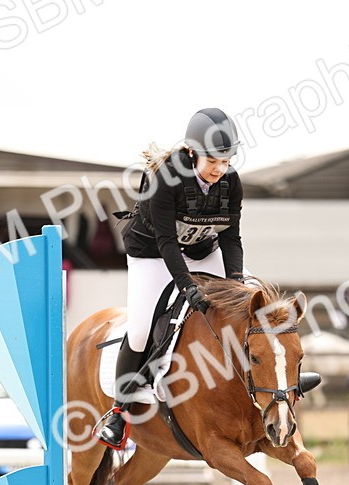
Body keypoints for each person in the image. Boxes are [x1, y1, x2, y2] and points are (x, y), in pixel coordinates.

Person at [95, 107, 246, 448]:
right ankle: (119, 411)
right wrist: (188, 286)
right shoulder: (166, 179)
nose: (219, 170)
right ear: (192, 152)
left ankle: (275, 386)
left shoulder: (231, 183)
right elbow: (166, 242)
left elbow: (231, 239)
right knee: (140, 331)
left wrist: (236, 284)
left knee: (252, 304)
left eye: (225, 162)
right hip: (152, 253)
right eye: (212, 161)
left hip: (203, 249)